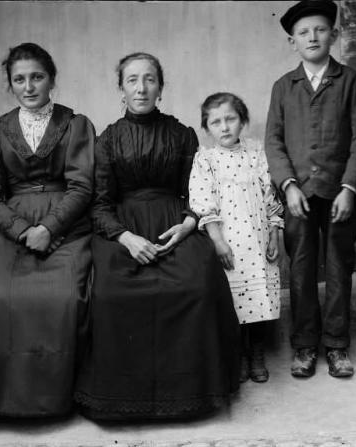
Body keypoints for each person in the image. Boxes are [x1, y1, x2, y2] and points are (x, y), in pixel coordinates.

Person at [74, 52, 241, 420]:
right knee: (109, 291)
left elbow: (197, 191)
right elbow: (99, 204)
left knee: (197, 283)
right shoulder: (108, 139)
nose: (141, 87)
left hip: (174, 225)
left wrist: (187, 223)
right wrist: (125, 238)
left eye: (149, 79)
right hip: (124, 228)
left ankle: (191, 393)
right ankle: (121, 398)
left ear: (160, 87)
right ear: (121, 88)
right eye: (132, 80)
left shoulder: (182, 135)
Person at [0, 43, 95, 417]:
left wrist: (49, 227)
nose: (29, 86)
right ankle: (0, 399)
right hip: (10, 226)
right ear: (11, 84)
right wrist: (21, 230)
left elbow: (82, 186)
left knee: (63, 298)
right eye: (20, 79)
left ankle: (56, 399)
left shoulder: (76, 125)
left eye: (37, 77)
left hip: (67, 222)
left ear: (51, 79)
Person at [264, 0, 356, 378]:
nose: (312, 36)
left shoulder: (351, 82)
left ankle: (337, 346)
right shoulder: (284, 86)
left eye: (320, 29)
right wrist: (289, 185)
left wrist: (349, 187)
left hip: (338, 195)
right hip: (299, 198)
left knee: (340, 269)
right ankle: (305, 346)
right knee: (300, 270)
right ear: (292, 42)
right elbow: (274, 142)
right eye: (302, 32)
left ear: (334, 34)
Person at [189, 92, 283, 383]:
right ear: (207, 128)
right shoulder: (206, 159)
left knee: (260, 297)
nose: (224, 127)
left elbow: (271, 198)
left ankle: (256, 352)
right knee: (232, 299)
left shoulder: (256, 154)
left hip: (257, 240)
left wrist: (274, 234)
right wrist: (217, 241)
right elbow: (204, 202)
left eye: (230, 119)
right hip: (228, 242)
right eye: (215, 122)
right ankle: (238, 354)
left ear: (242, 121)